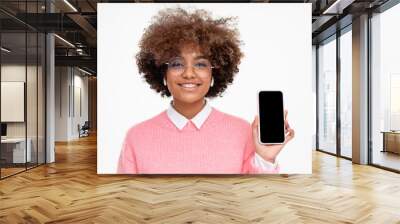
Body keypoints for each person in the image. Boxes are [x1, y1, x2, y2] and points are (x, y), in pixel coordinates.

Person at [117, 7, 295, 174]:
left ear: (214, 73)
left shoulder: (243, 131)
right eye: (177, 63)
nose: (188, 73)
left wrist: (265, 158)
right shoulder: (136, 136)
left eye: (200, 64)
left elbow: (256, 197)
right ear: (162, 73)